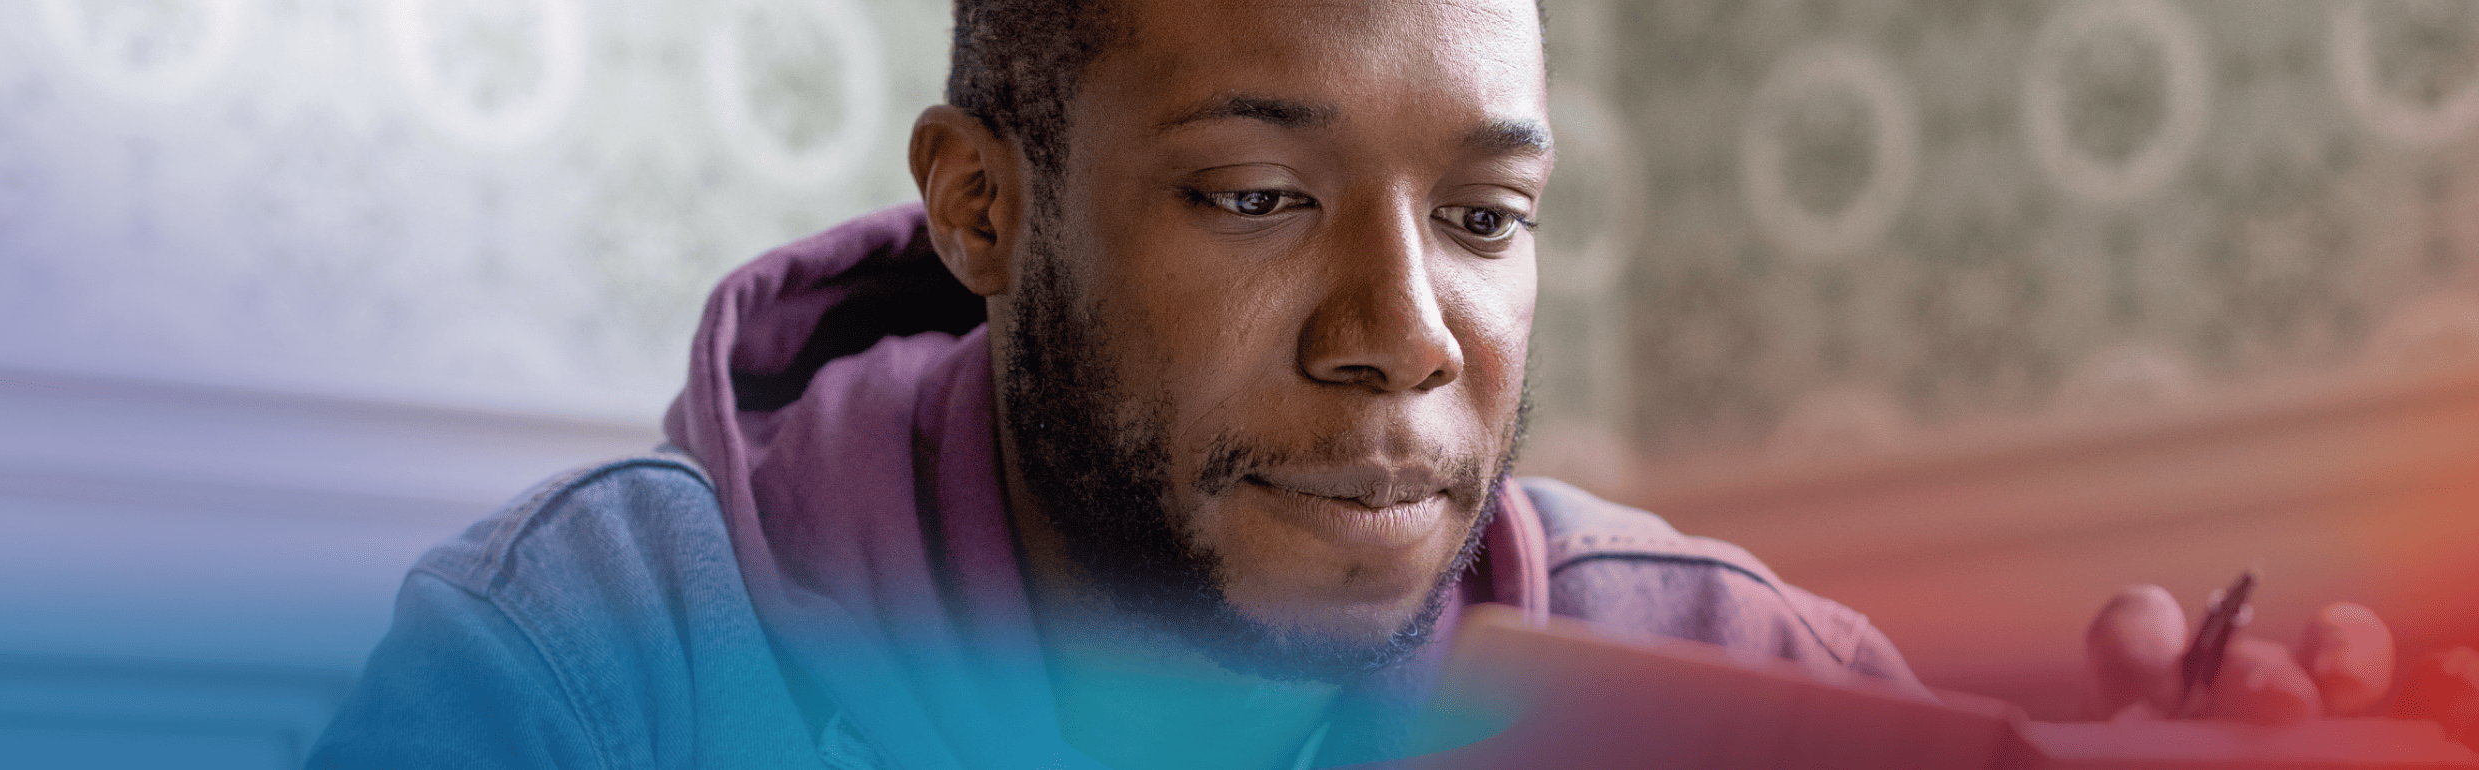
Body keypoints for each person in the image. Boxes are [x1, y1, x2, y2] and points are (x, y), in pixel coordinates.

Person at [307, 1, 2395, 768]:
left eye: (1484, 218)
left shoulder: (1737, 672)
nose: (1395, 329)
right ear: (981, 208)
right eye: (1247, 193)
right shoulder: (597, 674)